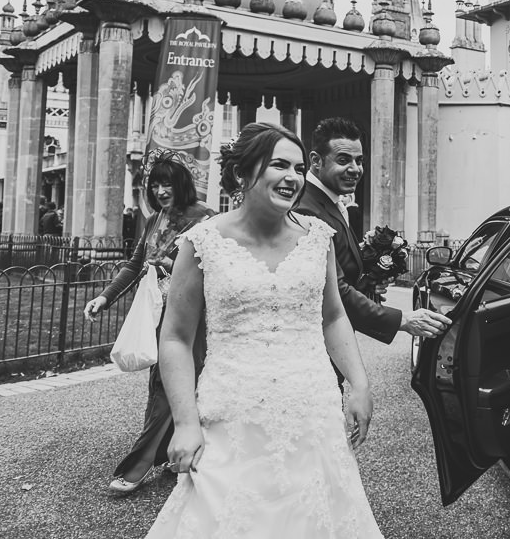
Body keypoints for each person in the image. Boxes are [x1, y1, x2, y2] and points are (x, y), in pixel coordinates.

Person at [147, 122, 383, 537]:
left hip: (311, 410)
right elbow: (175, 339)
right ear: (242, 173)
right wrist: (185, 423)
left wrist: (359, 382)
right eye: (278, 165)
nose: (292, 177)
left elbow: (332, 317)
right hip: (230, 413)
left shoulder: (318, 238)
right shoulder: (201, 242)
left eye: (296, 167)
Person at [82, 156, 215, 494]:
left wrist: (173, 263)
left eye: (166, 184)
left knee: (169, 387)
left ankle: (138, 464)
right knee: (166, 384)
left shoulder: (205, 218)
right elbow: (136, 263)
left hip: (192, 318)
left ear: (181, 183)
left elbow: (216, 270)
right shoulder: (156, 218)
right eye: (154, 185)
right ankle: (179, 455)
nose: (159, 191)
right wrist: (105, 297)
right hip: (158, 313)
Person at [296, 117, 450, 346]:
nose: (355, 169)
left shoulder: (330, 202)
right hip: (315, 343)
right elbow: (330, 291)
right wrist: (403, 320)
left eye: (359, 161)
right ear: (316, 161)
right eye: (343, 160)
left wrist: (368, 283)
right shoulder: (306, 209)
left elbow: (338, 271)